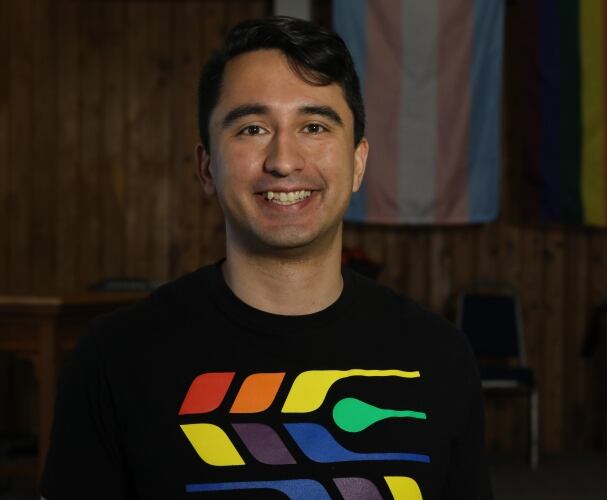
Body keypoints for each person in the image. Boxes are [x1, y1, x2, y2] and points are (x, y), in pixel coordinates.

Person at [41, 16, 492, 499]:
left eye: (314, 126)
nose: (283, 160)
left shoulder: (439, 356)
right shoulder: (113, 359)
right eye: (253, 128)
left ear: (358, 162)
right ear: (206, 166)